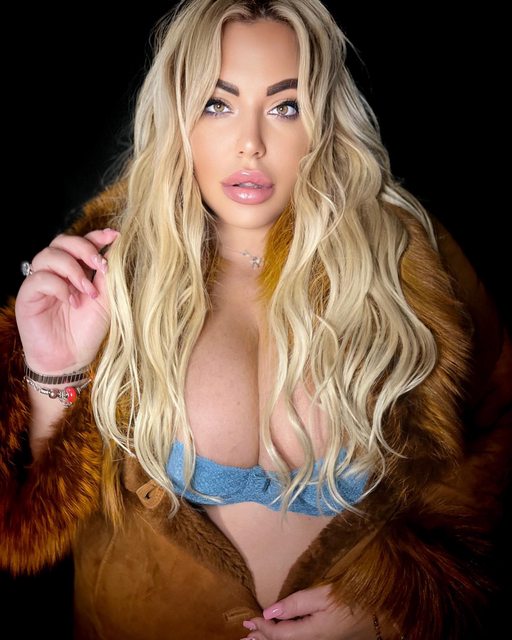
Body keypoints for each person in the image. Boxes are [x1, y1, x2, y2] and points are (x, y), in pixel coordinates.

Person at [1, 0, 510, 638]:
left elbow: (496, 434)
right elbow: (43, 523)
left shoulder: (409, 261)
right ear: (178, 117)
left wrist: (398, 603)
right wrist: (56, 370)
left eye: (285, 106)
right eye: (218, 104)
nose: (251, 142)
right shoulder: (104, 269)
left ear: (325, 120)